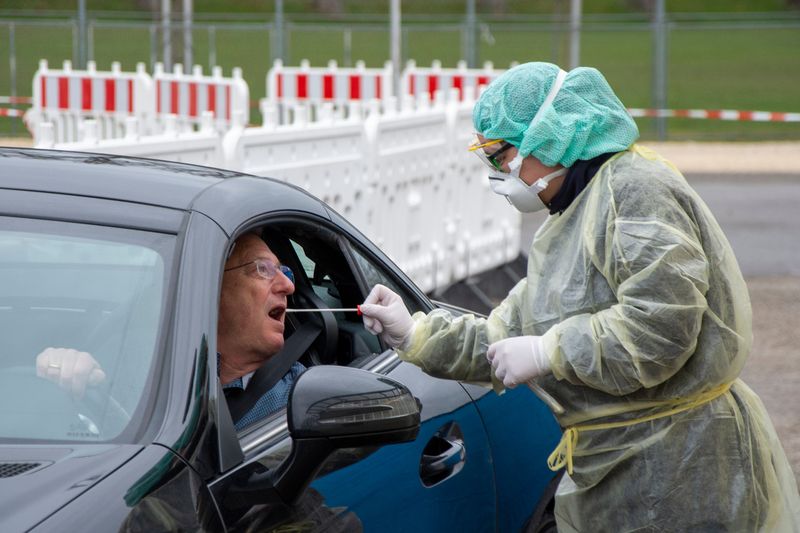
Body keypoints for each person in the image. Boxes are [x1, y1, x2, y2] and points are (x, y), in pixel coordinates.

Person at [359, 62, 800, 531]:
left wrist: (551, 351)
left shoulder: (635, 192)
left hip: (683, 462)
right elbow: (506, 336)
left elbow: (661, 329)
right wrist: (414, 333)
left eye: (499, 155)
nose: (495, 174)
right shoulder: (571, 219)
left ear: (549, 137)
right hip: (618, 469)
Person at [36, 232, 302, 431]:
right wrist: (64, 372)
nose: (288, 285)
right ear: (211, 287)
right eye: (264, 270)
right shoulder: (137, 367)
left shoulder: (300, 393)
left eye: (285, 272)